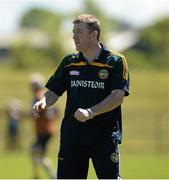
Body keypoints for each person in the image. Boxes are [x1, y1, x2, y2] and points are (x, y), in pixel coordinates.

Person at [33, 14, 129, 179]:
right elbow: (53, 92)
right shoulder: (69, 61)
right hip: (73, 137)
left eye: (79, 32)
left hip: (104, 137)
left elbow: (117, 96)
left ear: (94, 34)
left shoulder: (116, 61)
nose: (73, 36)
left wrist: (90, 112)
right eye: (73, 31)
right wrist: (42, 102)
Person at [29, 73, 59, 179]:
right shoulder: (45, 95)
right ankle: (37, 175)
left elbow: (33, 113)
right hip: (48, 129)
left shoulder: (37, 97)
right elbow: (55, 112)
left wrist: (19, 115)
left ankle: (52, 176)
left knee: (37, 154)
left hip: (43, 130)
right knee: (36, 152)